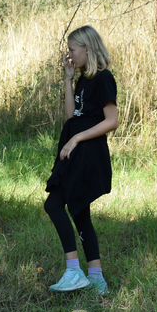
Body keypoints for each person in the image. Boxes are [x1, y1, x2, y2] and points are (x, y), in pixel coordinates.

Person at [44, 25, 118, 295]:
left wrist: (77, 139)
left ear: (87, 48)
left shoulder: (103, 78)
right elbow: (71, 116)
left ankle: (74, 270)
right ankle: (97, 279)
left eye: (73, 49)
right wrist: (67, 78)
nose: (70, 55)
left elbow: (112, 121)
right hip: (75, 148)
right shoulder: (83, 79)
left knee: (53, 204)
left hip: (87, 153)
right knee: (78, 209)